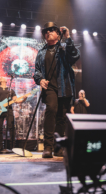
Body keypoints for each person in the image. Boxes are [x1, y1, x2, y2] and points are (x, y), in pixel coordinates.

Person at [33, 22, 80, 158]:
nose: (48, 32)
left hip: (65, 87)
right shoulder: (41, 52)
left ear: (58, 35)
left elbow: (75, 55)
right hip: (50, 87)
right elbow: (36, 71)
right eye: (46, 31)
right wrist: (40, 79)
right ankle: (47, 147)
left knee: (61, 118)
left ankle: (58, 148)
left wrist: (68, 37)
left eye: (52, 30)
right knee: (51, 110)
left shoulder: (64, 47)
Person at [0, 77, 27, 153]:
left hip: (9, 110)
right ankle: (0, 147)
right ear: (0, 81)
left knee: (11, 128)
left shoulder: (11, 91)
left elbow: (17, 101)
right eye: (1, 78)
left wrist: (24, 99)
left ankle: (12, 147)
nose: (3, 78)